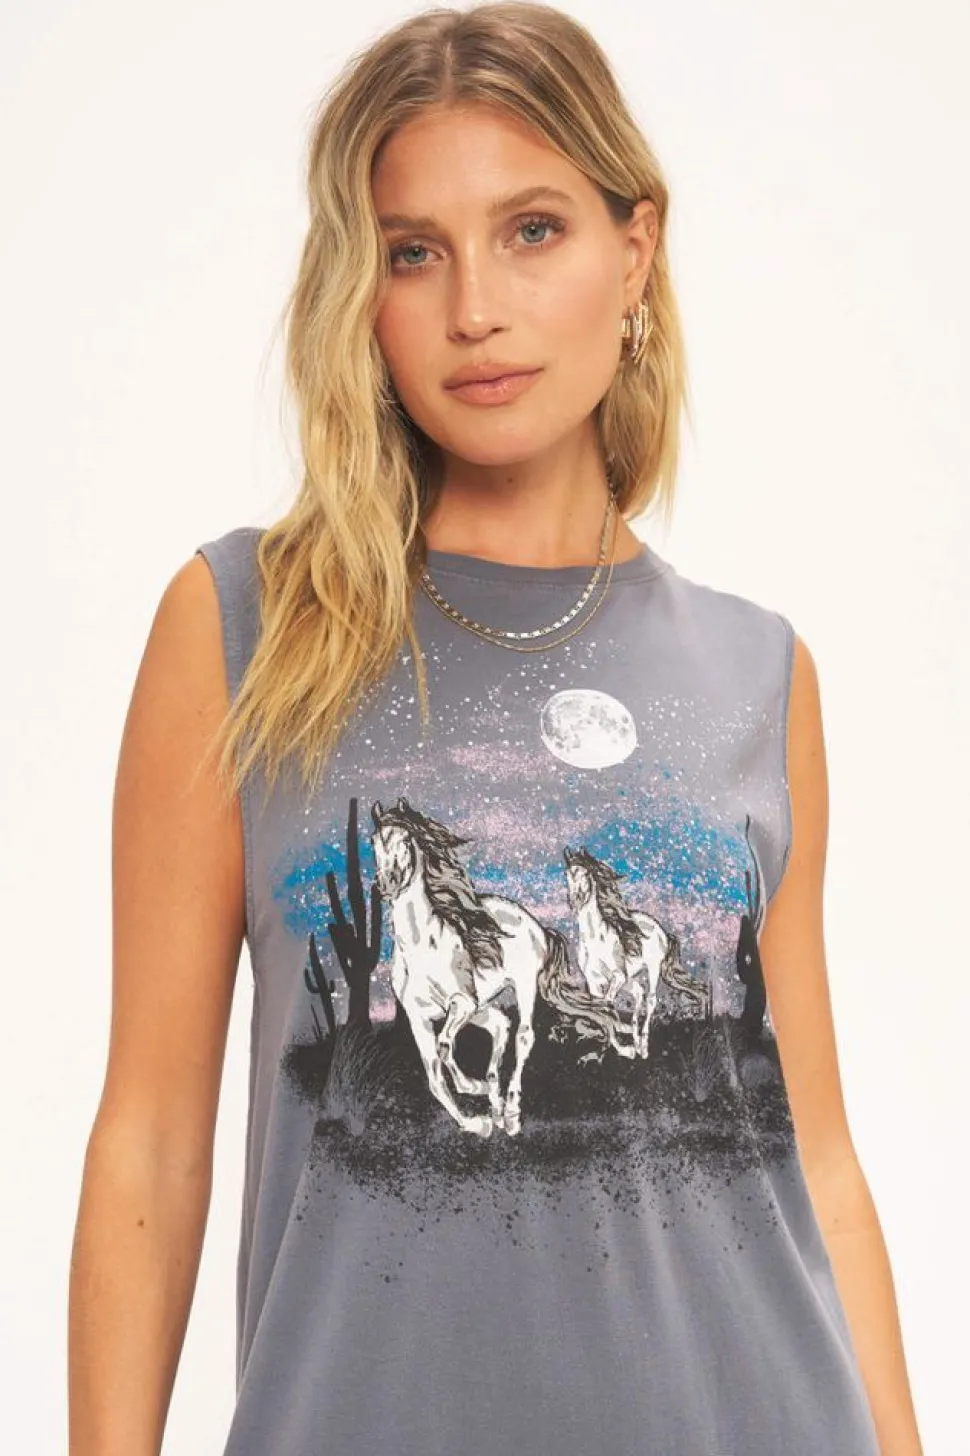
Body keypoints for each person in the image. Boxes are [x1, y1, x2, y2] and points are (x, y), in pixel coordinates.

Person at [68, 4, 924, 1454]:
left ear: (634, 253)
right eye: (415, 250)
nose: (475, 306)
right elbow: (149, 1140)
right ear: (362, 292)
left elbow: (818, 1157)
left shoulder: (758, 672)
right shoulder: (244, 628)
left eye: (532, 230)